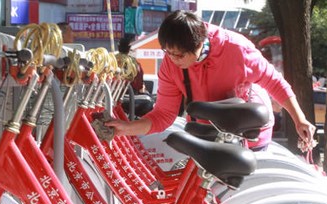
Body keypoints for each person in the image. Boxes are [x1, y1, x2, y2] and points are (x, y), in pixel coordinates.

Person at [106, 10, 316, 151]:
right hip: (206, 134)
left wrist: (299, 119)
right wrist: (126, 128)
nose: (172, 60)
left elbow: (274, 81)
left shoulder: (237, 50)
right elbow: (163, 114)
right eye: (168, 52)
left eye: (179, 55)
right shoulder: (171, 63)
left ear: (199, 45)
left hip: (249, 133)